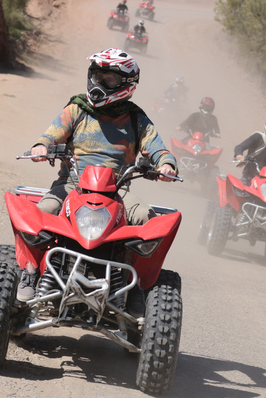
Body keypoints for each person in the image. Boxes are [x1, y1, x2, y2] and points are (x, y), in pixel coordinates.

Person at [18, 48, 178, 304]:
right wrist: (41, 146)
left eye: (109, 79)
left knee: (148, 222)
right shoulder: (77, 109)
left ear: (127, 84)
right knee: (42, 213)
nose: (99, 84)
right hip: (72, 184)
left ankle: (136, 287)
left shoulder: (137, 120)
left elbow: (157, 147)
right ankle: (30, 272)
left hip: (118, 189)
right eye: (96, 76)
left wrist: (166, 164)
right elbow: (52, 133)